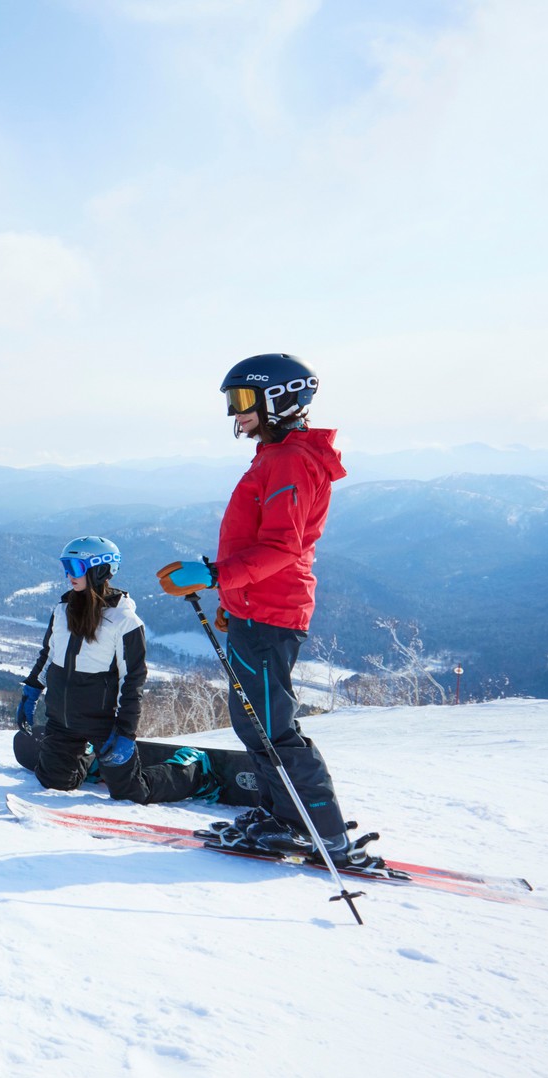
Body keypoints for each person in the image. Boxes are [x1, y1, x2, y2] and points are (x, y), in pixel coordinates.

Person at [156, 352, 359, 861]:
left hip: (271, 612)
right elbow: (261, 544)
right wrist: (231, 596)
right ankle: (280, 813)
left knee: (271, 725)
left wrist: (220, 577)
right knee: (254, 721)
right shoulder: (276, 456)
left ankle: (321, 830)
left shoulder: (289, 460)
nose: (234, 412)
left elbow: (282, 548)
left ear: (279, 398)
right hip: (257, 607)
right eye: (232, 400)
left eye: (243, 399)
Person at [13, 536, 204, 804]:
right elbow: (48, 654)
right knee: (53, 783)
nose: (69, 575)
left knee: (132, 793)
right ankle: (91, 759)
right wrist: (32, 689)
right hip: (63, 721)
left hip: (105, 724)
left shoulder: (125, 621)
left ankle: (193, 769)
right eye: (66, 566)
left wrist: (126, 732)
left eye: (76, 568)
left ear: (99, 570)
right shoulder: (62, 609)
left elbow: (133, 680)